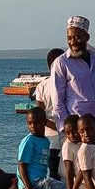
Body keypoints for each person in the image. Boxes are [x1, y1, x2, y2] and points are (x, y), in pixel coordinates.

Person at [50, 16, 95, 135]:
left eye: (77, 37)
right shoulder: (61, 63)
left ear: (87, 37)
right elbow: (57, 102)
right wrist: (67, 130)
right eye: (69, 38)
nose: (73, 42)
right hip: (73, 131)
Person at [16, 107, 66, 189]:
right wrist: (28, 188)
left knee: (61, 187)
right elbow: (21, 166)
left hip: (41, 181)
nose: (33, 126)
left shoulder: (46, 141)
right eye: (29, 123)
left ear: (44, 122)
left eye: (36, 122)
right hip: (32, 184)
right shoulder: (29, 141)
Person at [31, 47, 65, 178]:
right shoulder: (67, 84)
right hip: (65, 133)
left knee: (52, 171)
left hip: (48, 135)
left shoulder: (42, 86)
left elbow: (40, 115)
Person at [59, 113, 82, 189]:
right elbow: (69, 172)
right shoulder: (68, 146)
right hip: (79, 188)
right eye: (68, 133)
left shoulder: (83, 142)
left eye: (74, 132)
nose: (71, 136)